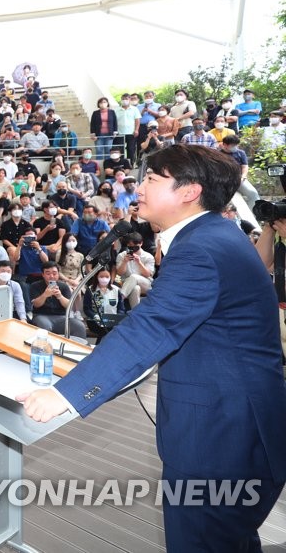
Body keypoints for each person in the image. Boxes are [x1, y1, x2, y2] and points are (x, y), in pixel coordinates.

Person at [20, 144, 286, 550]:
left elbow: (152, 326)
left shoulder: (201, 247)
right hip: (233, 422)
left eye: (151, 179)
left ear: (188, 191)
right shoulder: (212, 234)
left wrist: (64, 394)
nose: (137, 187)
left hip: (220, 434)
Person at [27, 261, 86, 339]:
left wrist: (60, 296)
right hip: (41, 315)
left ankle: (78, 349)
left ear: (58, 274)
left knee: (79, 326)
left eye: (54, 273)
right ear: (43, 275)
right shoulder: (35, 286)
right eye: (48, 273)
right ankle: (45, 349)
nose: (51, 276)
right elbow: (36, 304)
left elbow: (69, 305)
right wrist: (45, 295)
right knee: (44, 326)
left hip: (61, 317)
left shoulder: (64, 286)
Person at [114, 232, 154, 308]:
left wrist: (139, 262)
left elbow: (148, 274)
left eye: (135, 247)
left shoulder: (148, 257)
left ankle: (120, 297)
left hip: (145, 283)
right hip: (127, 284)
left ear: (141, 243)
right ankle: (135, 313)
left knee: (134, 276)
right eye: (130, 247)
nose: (133, 249)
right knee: (136, 288)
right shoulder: (122, 255)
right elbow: (119, 273)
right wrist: (124, 262)